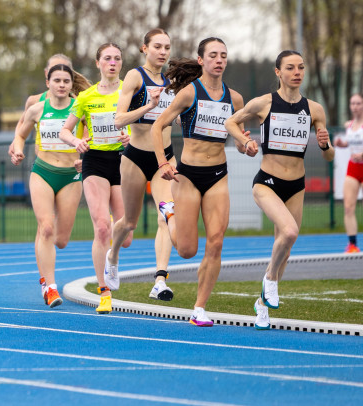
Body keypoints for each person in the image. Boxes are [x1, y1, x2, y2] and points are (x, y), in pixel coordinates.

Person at [225, 50, 331, 331]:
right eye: (291, 68)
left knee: (286, 247)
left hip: (297, 185)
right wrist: (245, 143)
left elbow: (329, 156)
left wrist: (324, 145)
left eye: (301, 67)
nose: (297, 72)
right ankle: (269, 282)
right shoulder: (263, 104)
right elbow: (230, 122)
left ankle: (262, 305)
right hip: (267, 182)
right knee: (291, 231)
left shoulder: (314, 109)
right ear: (278, 72)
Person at [149, 37, 247, 328]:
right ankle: (169, 213)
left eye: (224, 56)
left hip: (218, 175)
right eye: (213, 55)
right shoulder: (190, 93)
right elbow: (158, 126)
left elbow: (240, 140)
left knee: (216, 242)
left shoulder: (236, 99)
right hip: (188, 176)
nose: (219, 60)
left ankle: (199, 307)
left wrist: (246, 145)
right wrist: (162, 163)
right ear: (201, 60)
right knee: (187, 250)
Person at [104, 28, 177, 302]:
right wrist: (149, 106)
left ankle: (160, 279)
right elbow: (118, 120)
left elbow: (179, 115)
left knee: (165, 215)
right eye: (157, 46)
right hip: (135, 157)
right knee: (130, 222)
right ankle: (112, 255)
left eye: (167, 47)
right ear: (145, 48)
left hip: (165, 158)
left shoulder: (174, 80)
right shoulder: (136, 76)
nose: (163, 52)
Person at [60, 42, 130, 314]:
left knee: (126, 237)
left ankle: (112, 254)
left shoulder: (129, 91)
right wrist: (77, 141)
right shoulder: (86, 97)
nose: (112, 63)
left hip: (125, 161)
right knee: (101, 227)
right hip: (95, 161)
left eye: (117, 59)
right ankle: (104, 291)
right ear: (99, 63)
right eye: (107, 58)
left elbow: (144, 126)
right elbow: (65, 130)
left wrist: (130, 135)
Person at [9, 63, 84, 308]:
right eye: (57, 81)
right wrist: (18, 151)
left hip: (71, 176)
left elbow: (97, 138)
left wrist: (86, 159)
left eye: (66, 81)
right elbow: (20, 134)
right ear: (48, 83)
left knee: (61, 239)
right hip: (43, 172)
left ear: (72, 85)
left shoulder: (81, 109)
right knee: (46, 227)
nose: (61, 85)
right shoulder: (37, 109)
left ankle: (47, 253)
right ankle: (49, 286)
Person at [333, 92, 363, 254]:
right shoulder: (349, 125)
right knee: (348, 207)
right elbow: (348, 144)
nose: (355, 107)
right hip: (353, 167)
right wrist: (341, 144)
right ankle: (352, 245)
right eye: (353, 104)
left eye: (358, 103)